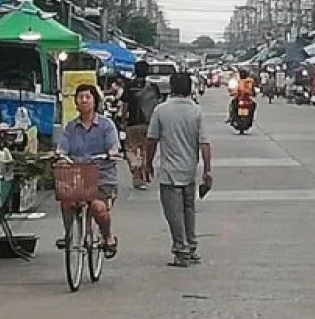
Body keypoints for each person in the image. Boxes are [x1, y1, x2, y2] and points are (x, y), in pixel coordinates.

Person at [145, 72, 212, 268]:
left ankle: (181, 250)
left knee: (173, 213)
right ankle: (191, 247)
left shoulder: (161, 110)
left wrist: (147, 163)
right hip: (189, 171)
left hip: (169, 173)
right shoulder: (196, 111)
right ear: (190, 88)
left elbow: (151, 141)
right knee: (188, 210)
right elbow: (205, 143)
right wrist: (207, 170)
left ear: (171, 87)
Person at [56, 84, 120, 258]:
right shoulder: (70, 128)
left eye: (87, 97)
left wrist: (111, 153)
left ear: (95, 101)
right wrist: (61, 156)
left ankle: (108, 237)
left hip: (102, 177)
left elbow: (114, 146)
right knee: (66, 201)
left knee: (98, 208)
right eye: (80, 97)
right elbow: (62, 148)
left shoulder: (106, 126)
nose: (84, 100)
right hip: (77, 176)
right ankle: (68, 234)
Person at [124, 60, 161, 189]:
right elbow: (157, 106)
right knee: (146, 151)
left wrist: (123, 120)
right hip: (149, 124)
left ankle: (135, 168)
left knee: (130, 149)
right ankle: (143, 178)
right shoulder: (153, 87)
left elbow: (124, 105)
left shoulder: (129, 86)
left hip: (132, 123)